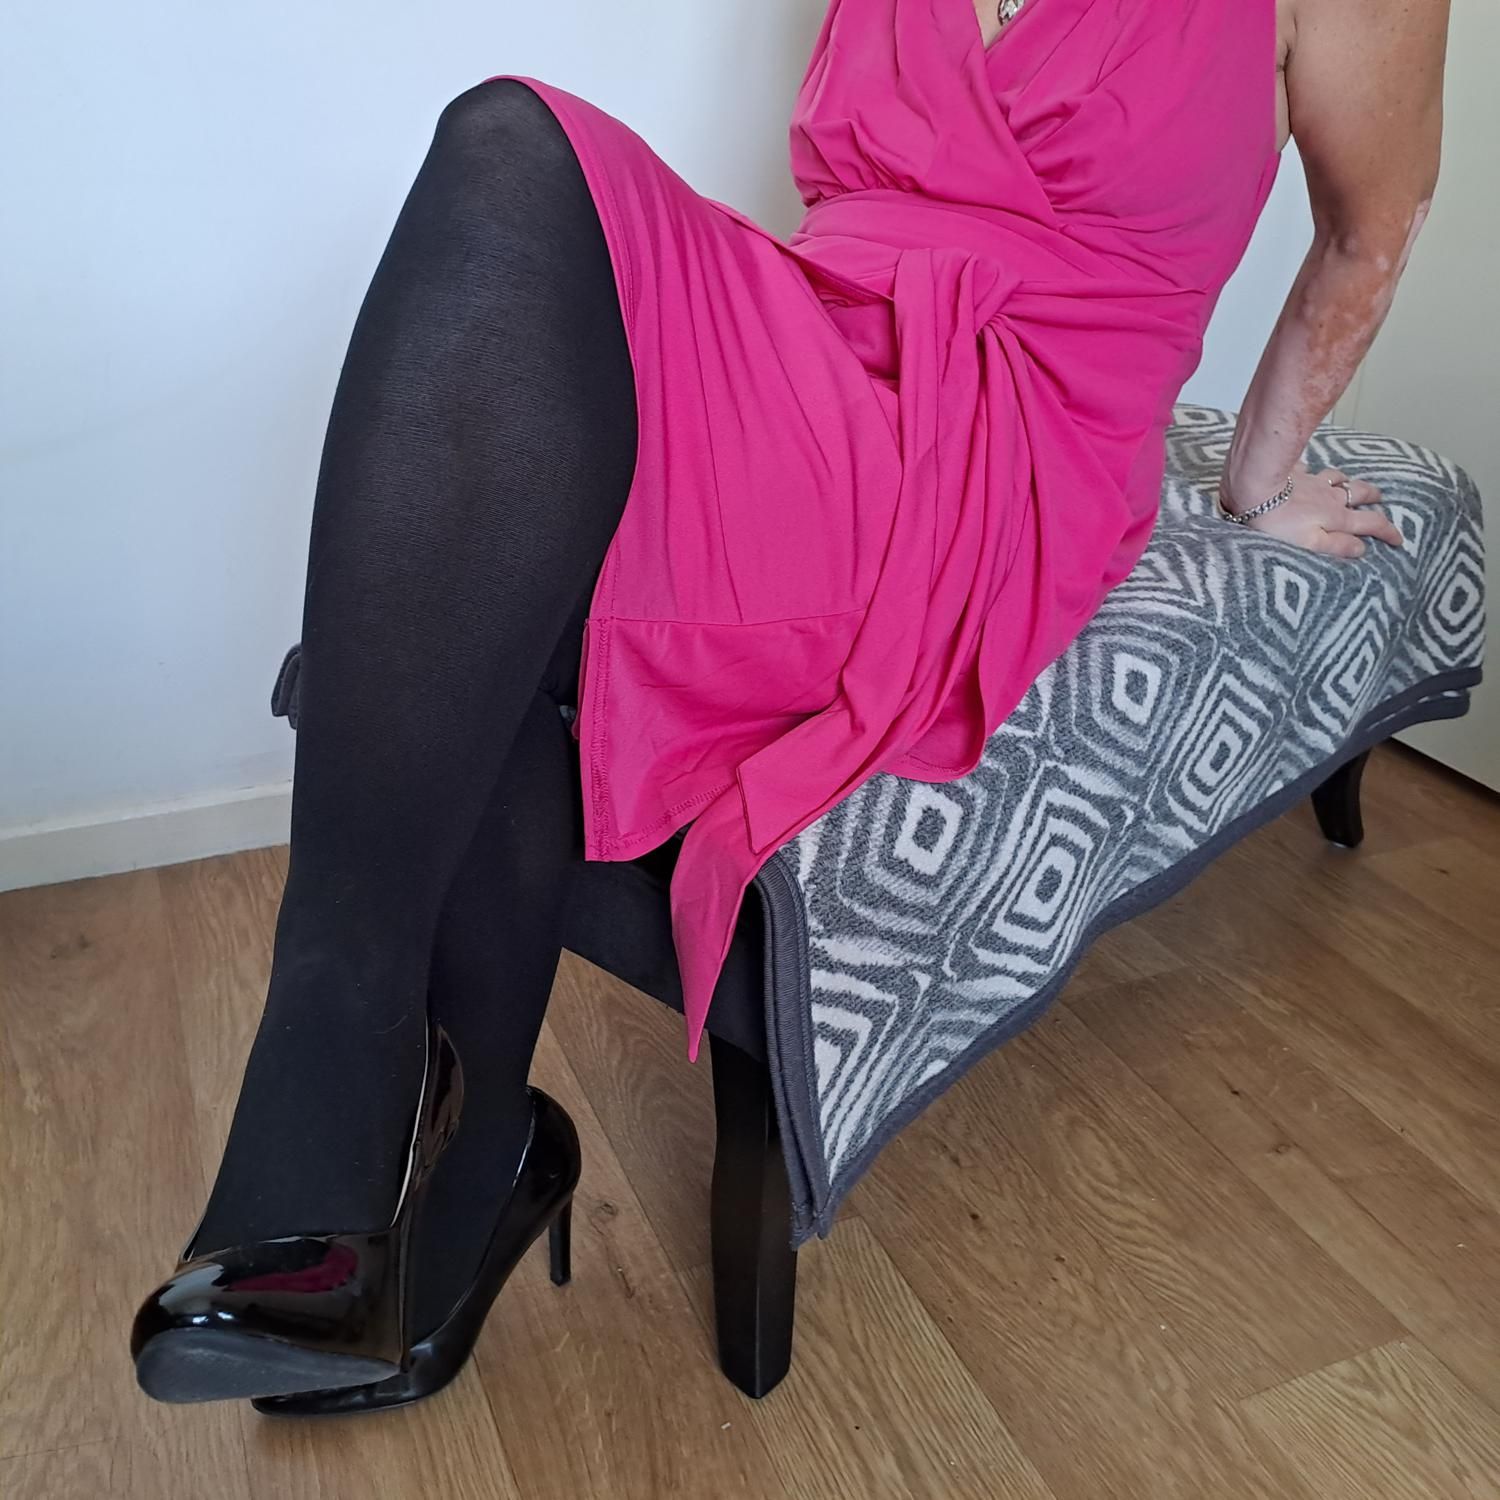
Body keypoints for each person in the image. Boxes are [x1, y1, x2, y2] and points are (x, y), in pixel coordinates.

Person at [130, 0, 1448, 1412]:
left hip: (999, 436)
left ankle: (376, 1117)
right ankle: (449, 1122)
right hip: (808, 332)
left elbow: (1370, 228)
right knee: (508, 144)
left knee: (506, 563)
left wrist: (1254, 485)